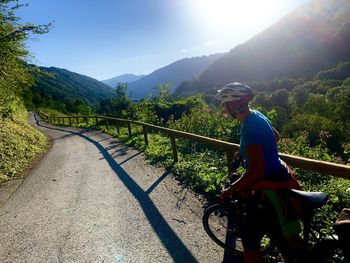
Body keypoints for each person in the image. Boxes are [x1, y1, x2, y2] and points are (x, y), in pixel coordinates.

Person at [216, 82, 303, 263]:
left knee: (249, 237)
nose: (225, 110)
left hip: (268, 185)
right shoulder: (256, 115)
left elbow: (256, 171)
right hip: (278, 172)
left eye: (225, 105)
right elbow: (275, 137)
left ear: (233, 105)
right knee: (273, 232)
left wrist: (230, 189)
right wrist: (246, 151)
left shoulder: (249, 126)